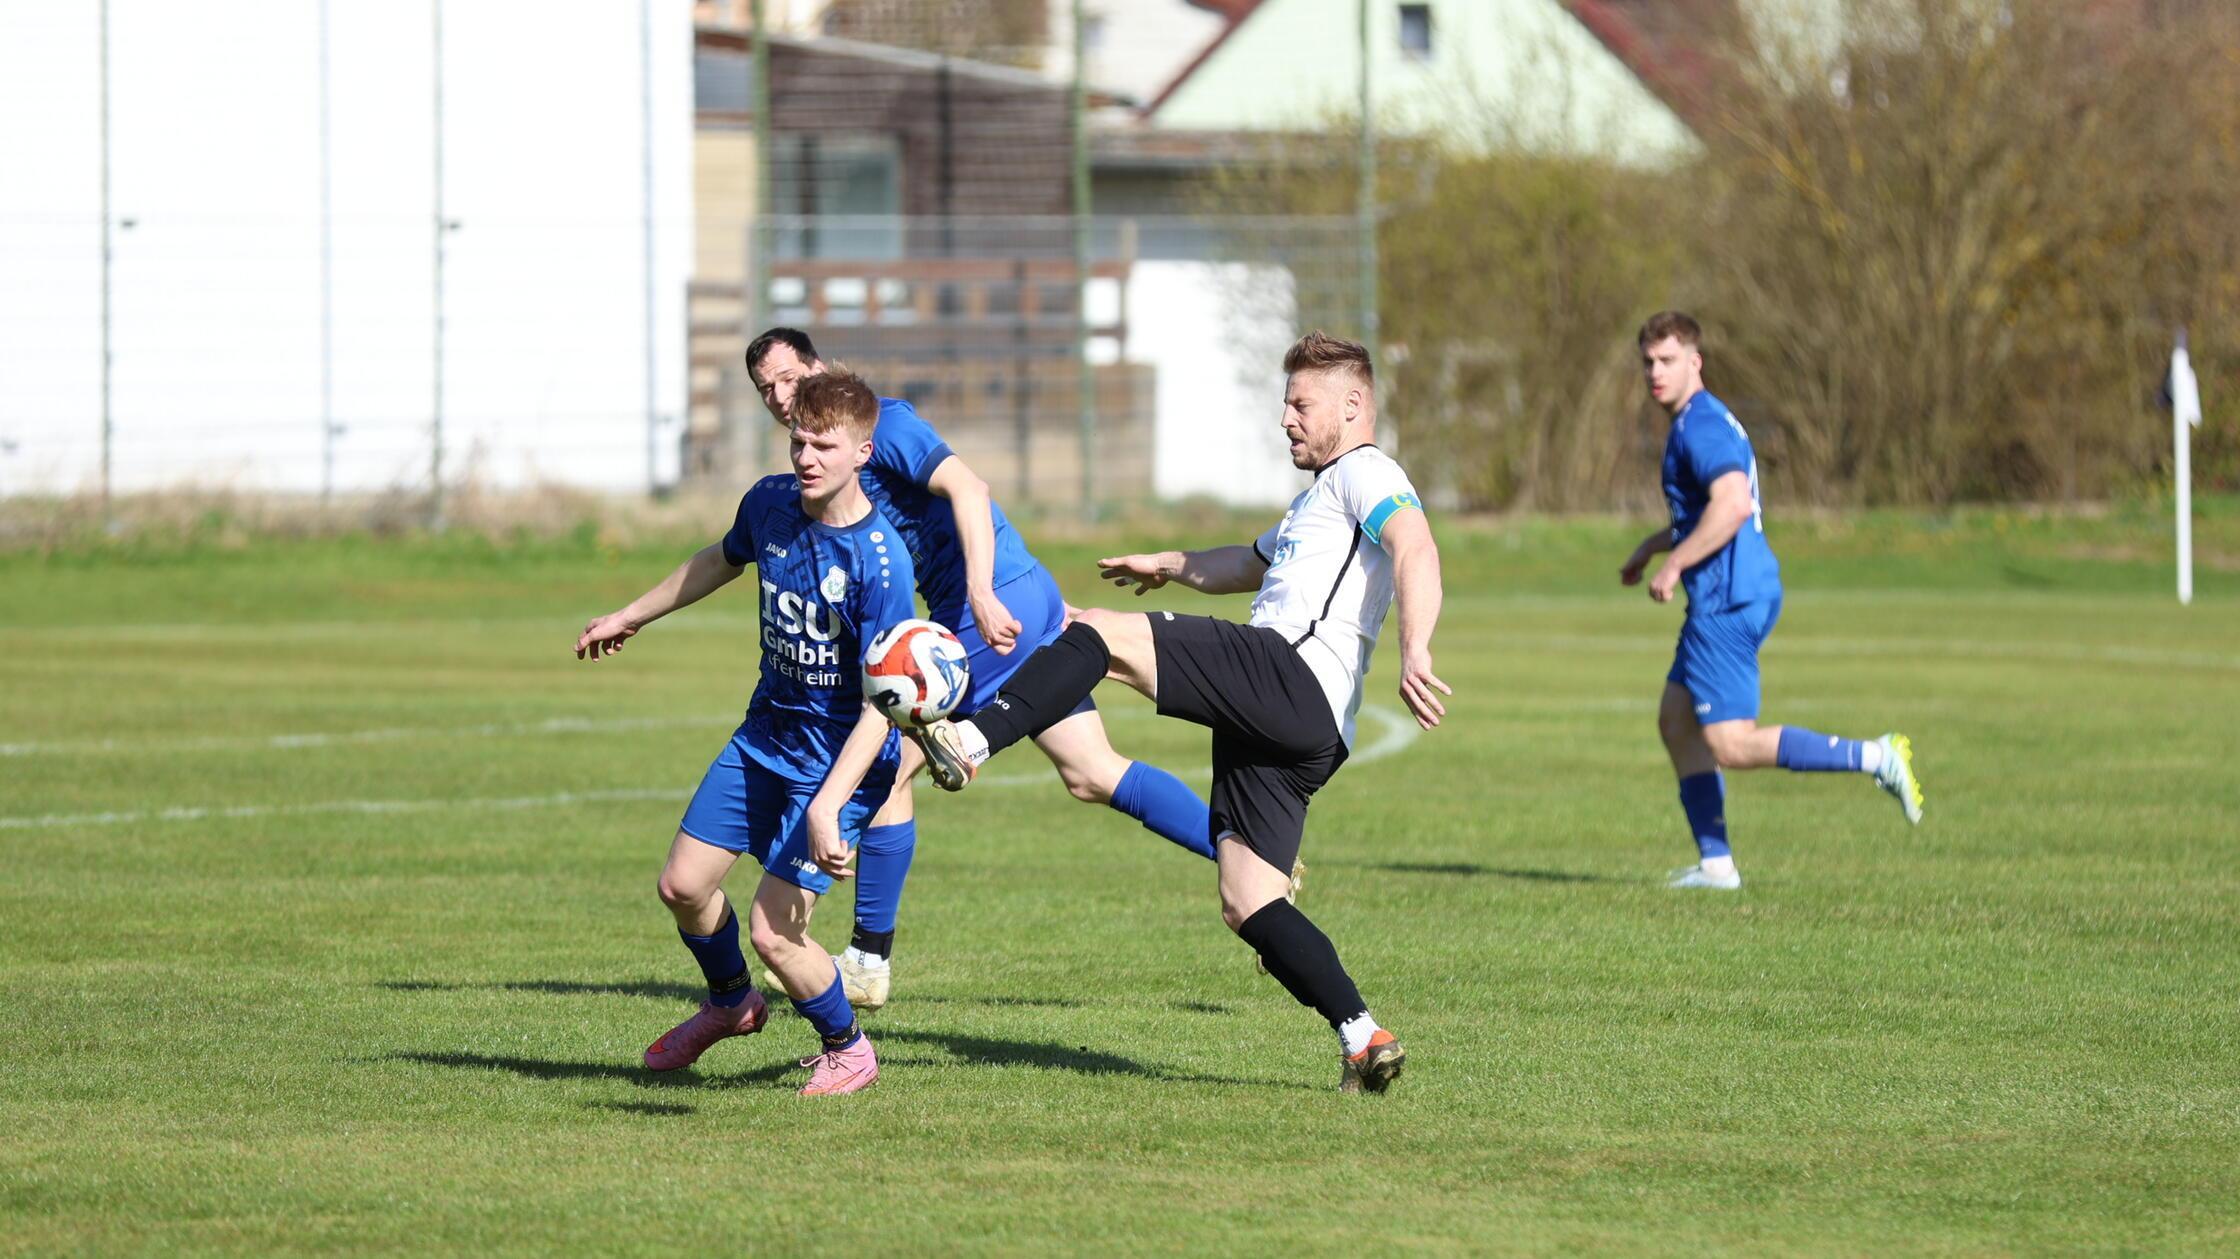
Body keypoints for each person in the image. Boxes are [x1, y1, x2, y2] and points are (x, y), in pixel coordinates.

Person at [911, 332, 1447, 1094]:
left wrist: (1416, 648)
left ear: (1353, 405)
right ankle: (1363, 1036)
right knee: (1248, 897)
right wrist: (1169, 565)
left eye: (1301, 404)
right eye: (1284, 405)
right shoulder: (1315, 502)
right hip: (1306, 731)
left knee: (1093, 633)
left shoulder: (1369, 471)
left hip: (1287, 675)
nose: (1287, 419)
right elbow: (1245, 564)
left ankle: (970, 737)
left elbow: (1416, 546)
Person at [743, 329, 1218, 1011]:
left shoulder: (886, 422)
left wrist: (983, 590)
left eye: (790, 377)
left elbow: (970, 488)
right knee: (1091, 770)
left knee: (878, 763)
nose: (781, 397)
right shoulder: (826, 462)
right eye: (767, 390)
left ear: (818, 366)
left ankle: (858, 957)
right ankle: (1248, 859)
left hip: (986, 613)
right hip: (1013, 598)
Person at [574, 370, 913, 1096]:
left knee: (776, 933)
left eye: (825, 444)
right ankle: (732, 1002)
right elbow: (717, 561)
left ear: (863, 452)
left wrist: (829, 806)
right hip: (764, 738)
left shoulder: (882, 562)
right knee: (682, 885)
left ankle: (849, 1047)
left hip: (838, 763)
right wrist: (632, 614)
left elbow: (880, 705)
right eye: (799, 441)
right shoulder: (768, 505)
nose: (807, 457)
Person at [1618, 311, 1924, 890]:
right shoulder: (1702, 421)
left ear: (1695, 360)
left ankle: (1877, 756)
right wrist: (1651, 548)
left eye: (1667, 360)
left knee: (1730, 743)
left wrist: (1676, 563)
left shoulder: (1700, 427)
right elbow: (1702, 513)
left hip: (1725, 599)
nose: (1655, 373)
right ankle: (1716, 866)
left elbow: (1732, 505)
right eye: (1648, 362)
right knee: (1677, 720)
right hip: (1738, 588)